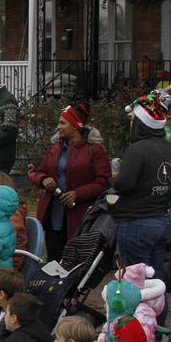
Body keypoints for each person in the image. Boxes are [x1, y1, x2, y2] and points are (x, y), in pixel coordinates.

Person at [112, 90, 171, 321]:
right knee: (157, 282)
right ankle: (158, 329)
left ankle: (138, 331)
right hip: (160, 221)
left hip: (137, 222)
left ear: (140, 123)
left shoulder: (137, 150)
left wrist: (115, 179)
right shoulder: (169, 149)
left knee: (135, 282)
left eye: (133, 121)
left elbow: (124, 184)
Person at [28, 104, 111, 262]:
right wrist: (43, 179)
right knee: (54, 258)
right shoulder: (55, 148)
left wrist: (77, 194)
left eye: (62, 123)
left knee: (75, 261)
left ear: (75, 126)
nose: (58, 127)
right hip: (55, 215)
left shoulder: (94, 150)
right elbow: (38, 172)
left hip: (81, 216)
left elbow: (103, 182)